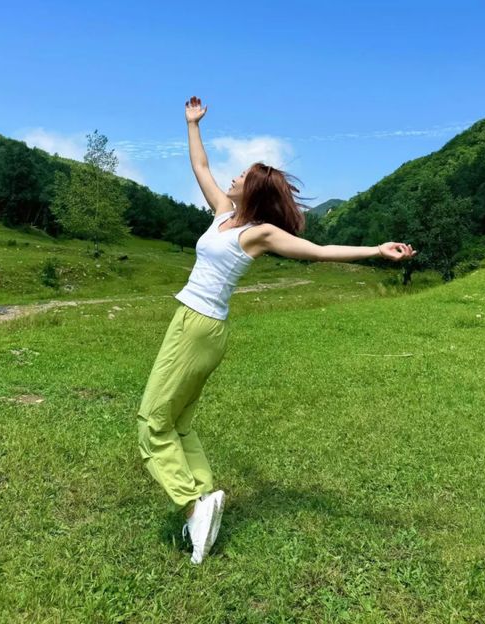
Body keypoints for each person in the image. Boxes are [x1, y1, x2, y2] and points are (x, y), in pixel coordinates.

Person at [137, 96, 417, 564]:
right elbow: (200, 165)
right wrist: (192, 125)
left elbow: (318, 250)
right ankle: (205, 498)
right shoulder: (224, 213)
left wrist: (374, 250)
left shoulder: (258, 233)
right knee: (178, 420)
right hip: (198, 326)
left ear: (255, 191)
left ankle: (192, 505)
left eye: (243, 176)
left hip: (197, 328)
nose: (234, 177)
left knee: (151, 422)